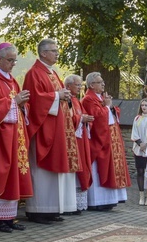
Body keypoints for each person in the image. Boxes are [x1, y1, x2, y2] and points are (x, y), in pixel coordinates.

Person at [22, 39, 78, 223]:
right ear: (43, 53)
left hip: (55, 128)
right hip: (42, 130)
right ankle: (38, 210)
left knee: (53, 174)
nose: (57, 54)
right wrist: (57, 96)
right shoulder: (34, 73)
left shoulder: (52, 73)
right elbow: (35, 100)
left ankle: (52, 209)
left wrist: (63, 96)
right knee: (41, 172)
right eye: (53, 51)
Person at [0, 43, 33, 233]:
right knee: (0, 173)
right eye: (10, 60)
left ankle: (9, 217)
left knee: (13, 175)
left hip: (14, 136)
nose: (13, 64)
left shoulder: (11, 80)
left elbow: (18, 103)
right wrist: (15, 102)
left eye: (14, 60)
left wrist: (21, 104)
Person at [82, 72, 131, 211]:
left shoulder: (101, 98)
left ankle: (110, 200)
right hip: (100, 141)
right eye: (100, 82)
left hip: (110, 140)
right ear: (92, 85)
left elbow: (110, 113)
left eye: (103, 81)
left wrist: (111, 108)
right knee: (100, 170)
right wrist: (108, 107)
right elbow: (97, 117)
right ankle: (98, 201)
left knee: (111, 168)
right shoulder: (88, 99)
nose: (103, 84)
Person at [65, 75, 93, 213]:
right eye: (77, 85)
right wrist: (82, 118)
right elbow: (67, 119)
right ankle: (70, 204)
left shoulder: (76, 100)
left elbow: (80, 116)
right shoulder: (67, 99)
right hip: (70, 141)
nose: (79, 88)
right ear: (68, 86)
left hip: (80, 140)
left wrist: (85, 119)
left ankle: (76, 203)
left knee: (81, 169)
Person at [131, 98, 147, 206]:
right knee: (140, 171)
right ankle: (141, 195)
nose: (144, 107)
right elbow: (134, 132)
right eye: (142, 105)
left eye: (146, 105)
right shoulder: (137, 118)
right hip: (139, 148)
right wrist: (140, 143)